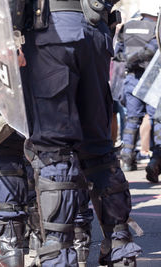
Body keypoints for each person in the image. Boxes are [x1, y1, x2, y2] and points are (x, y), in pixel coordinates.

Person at [21, 0, 142, 266]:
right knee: (98, 146)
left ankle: (59, 254)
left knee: (54, 148)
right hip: (95, 31)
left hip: (51, 34)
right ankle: (120, 243)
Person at [114, 3, 160, 174]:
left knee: (132, 120)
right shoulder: (157, 29)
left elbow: (117, 54)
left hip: (132, 78)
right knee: (157, 121)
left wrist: (130, 59)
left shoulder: (127, 27)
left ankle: (127, 160)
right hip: (153, 80)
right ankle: (155, 162)